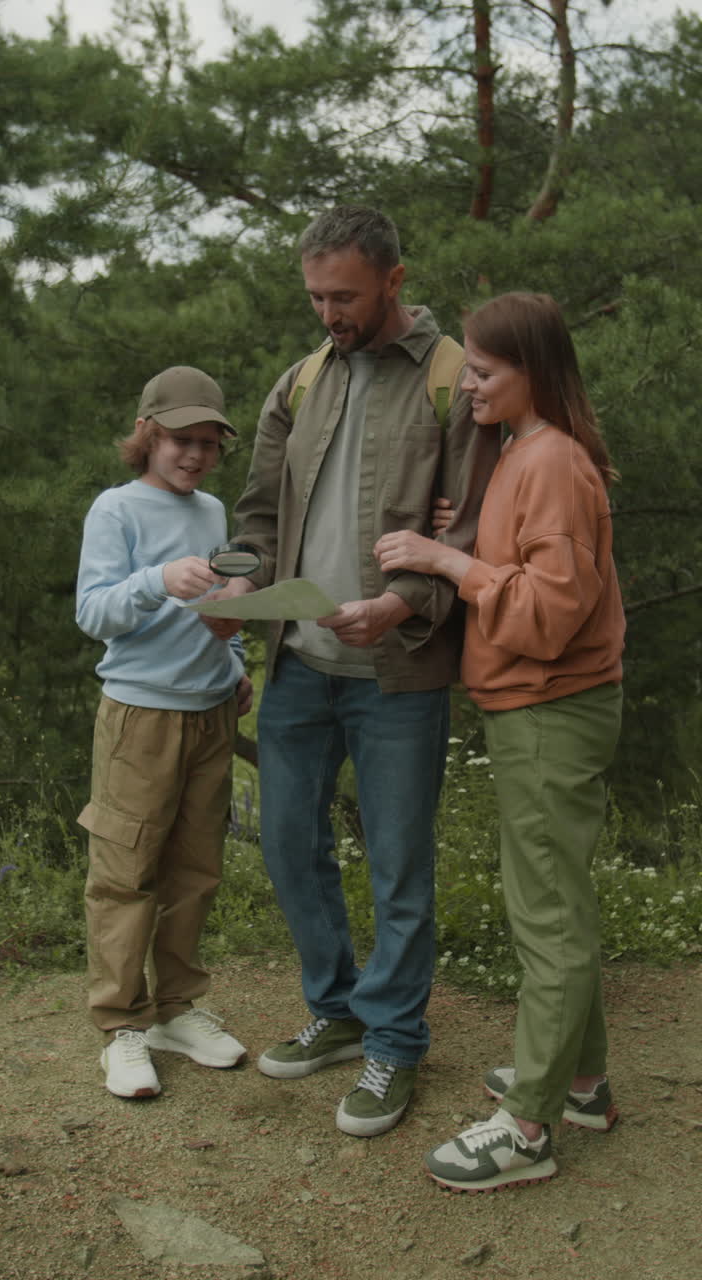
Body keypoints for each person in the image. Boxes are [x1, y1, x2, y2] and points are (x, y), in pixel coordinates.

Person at [210, 205, 500, 1137]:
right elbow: (257, 516)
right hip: (299, 661)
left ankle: (395, 1044)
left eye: (344, 295)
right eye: (316, 296)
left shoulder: (454, 380)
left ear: (393, 281)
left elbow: (474, 530)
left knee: (398, 871)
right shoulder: (299, 382)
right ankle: (336, 1011)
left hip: (401, 671)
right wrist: (232, 581)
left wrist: (405, 602)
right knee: (292, 849)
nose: (328, 312)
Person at [375, 291, 625, 1189]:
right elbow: (528, 568)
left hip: (553, 707)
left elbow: (551, 615)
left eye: (483, 371)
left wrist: (446, 560)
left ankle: (527, 1130)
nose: (467, 385)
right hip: (537, 709)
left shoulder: (552, 460)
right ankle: (582, 1083)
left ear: (535, 373)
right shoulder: (525, 453)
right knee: (554, 899)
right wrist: (467, 537)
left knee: (548, 916)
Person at [76, 365, 253, 1100]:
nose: (196, 456)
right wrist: (154, 581)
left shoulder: (213, 511)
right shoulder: (117, 511)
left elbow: (227, 601)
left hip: (210, 712)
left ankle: (177, 1007)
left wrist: (236, 659)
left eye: (209, 442)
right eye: (182, 439)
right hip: (140, 715)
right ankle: (122, 1026)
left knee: (196, 867)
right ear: (148, 434)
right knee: (127, 870)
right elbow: (93, 614)